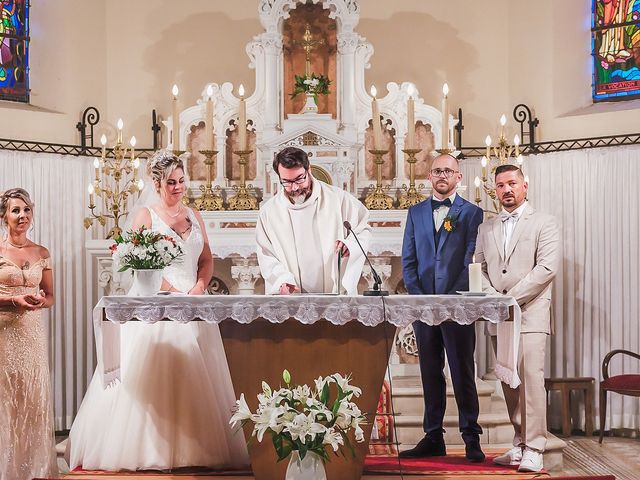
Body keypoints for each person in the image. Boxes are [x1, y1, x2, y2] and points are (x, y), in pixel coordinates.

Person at [69, 150, 249, 471]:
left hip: (194, 301)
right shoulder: (146, 216)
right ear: (156, 182)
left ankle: (196, 448)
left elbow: (206, 259)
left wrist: (197, 288)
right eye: (171, 182)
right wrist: (173, 290)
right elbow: (140, 264)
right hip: (157, 302)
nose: (178, 187)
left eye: (182, 180)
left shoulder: (195, 215)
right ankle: (151, 449)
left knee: (198, 374)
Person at [474, 164, 560, 473]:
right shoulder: (486, 228)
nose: (506, 189)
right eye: (500, 185)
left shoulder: (545, 223)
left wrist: (512, 297)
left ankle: (536, 446)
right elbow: (478, 268)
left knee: (531, 381)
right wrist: (495, 298)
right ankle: (520, 442)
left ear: (525, 185)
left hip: (532, 313)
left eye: (512, 183)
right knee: (509, 380)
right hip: (500, 315)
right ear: (494, 191)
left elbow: (547, 268)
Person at [400, 154, 485, 462]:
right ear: (429, 176)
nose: (442, 175)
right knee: (430, 371)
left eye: (448, 170)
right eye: (437, 170)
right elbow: (409, 260)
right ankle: (433, 435)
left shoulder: (472, 213)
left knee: (463, 371)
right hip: (424, 307)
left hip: (457, 305)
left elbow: (471, 258)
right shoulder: (416, 212)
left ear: (458, 177)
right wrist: (421, 298)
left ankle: (471, 437)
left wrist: (451, 299)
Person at [256, 146, 370, 295]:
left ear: (309, 170)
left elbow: (363, 229)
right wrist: (281, 280)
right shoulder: (269, 212)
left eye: (299, 179)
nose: (295, 187)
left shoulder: (338, 199)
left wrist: (350, 245)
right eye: (287, 182)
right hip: (292, 297)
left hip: (334, 297)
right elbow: (266, 254)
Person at [0, 188, 57, 480]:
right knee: (5, 397)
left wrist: (38, 302)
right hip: (4, 332)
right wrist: (13, 301)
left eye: (26, 210)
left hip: (32, 332)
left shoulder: (42, 252)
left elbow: (50, 296)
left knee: (32, 397)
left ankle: (34, 468)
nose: (22, 216)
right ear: (4, 216)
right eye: (15, 210)